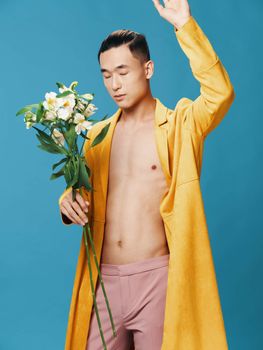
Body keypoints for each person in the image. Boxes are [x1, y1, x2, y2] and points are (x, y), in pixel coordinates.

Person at [59, 1, 235, 349]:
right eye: (106, 74)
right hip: (104, 280)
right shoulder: (96, 136)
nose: (115, 84)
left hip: (157, 280)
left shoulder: (180, 126)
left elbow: (220, 93)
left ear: (148, 68)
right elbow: (84, 198)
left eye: (123, 71)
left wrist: (186, 26)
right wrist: (67, 201)